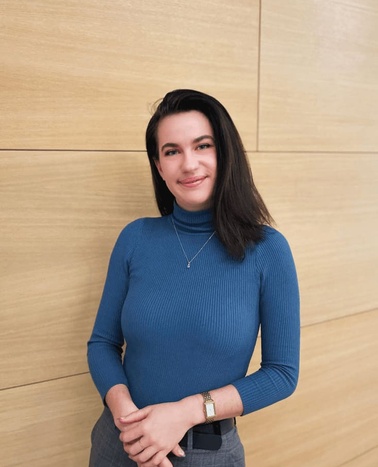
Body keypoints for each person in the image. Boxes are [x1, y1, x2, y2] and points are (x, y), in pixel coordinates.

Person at [87, 89, 300, 467]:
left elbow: (281, 374)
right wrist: (129, 420)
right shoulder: (135, 238)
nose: (189, 164)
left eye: (203, 146)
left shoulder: (268, 250)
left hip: (205, 454)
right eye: (172, 151)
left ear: (225, 152)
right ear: (158, 165)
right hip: (118, 443)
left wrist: (186, 412)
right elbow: (102, 343)